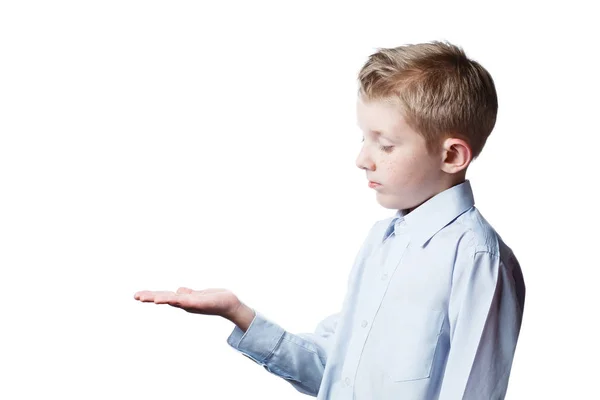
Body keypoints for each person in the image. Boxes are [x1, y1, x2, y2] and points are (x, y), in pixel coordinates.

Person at [134, 41, 526, 399]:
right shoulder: (382, 241)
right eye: (363, 139)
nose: (362, 159)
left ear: (452, 156)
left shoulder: (477, 259)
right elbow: (334, 373)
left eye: (385, 144)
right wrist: (238, 314)